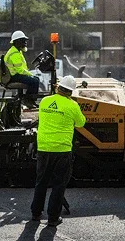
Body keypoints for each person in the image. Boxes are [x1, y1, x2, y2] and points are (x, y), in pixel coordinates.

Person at [30, 75, 85, 227]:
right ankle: (53, 218)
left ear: (58, 87)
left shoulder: (45, 101)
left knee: (41, 182)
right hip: (62, 150)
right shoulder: (72, 105)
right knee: (59, 184)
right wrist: (75, 106)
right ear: (71, 92)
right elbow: (81, 123)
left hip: (43, 148)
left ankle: (36, 213)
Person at [4, 31, 40, 109]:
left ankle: (31, 100)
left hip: (15, 75)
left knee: (36, 79)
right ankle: (27, 100)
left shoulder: (17, 51)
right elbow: (20, 70)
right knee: (34, 81)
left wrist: (30, 74)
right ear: (17, 41)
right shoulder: (14, 53)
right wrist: (30, 74)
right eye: (23, 41)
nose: (25, 43)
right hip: (14, 76)